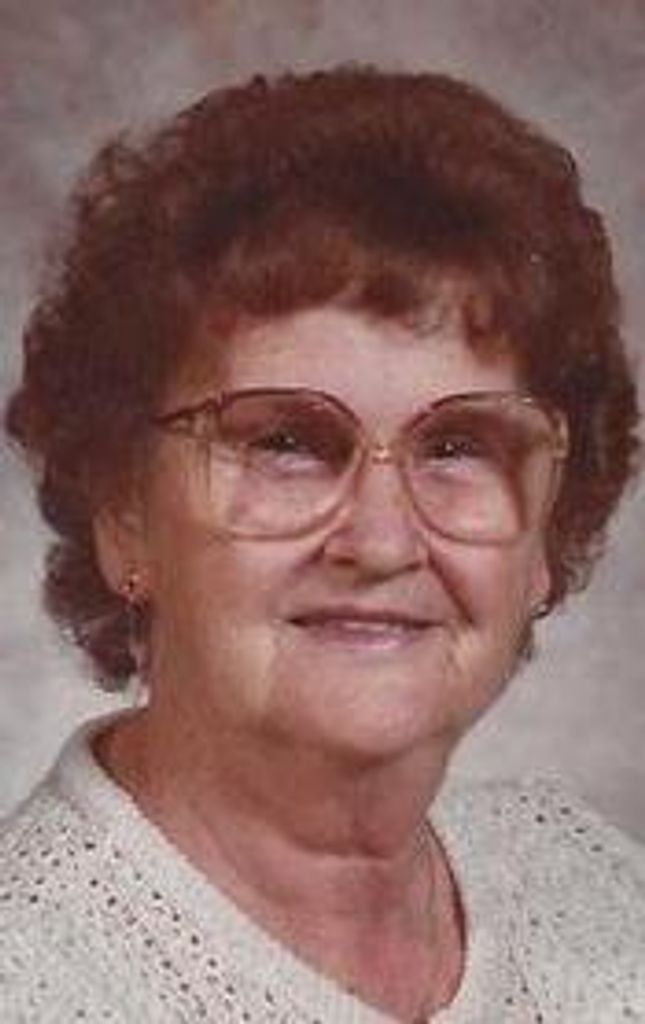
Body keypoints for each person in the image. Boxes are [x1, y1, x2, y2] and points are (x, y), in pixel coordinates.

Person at [1, 65, 644, 1023]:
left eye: (458, 446)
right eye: (286, 443)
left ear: (546, 535)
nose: (380, 541)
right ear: (124, 511)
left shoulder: (590, 885)